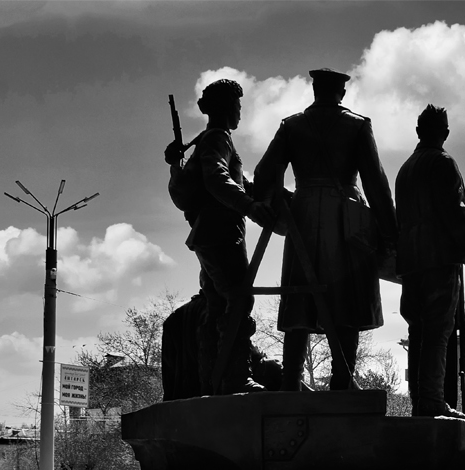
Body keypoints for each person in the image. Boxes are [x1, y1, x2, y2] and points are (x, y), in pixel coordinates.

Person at [254, 68, 397, 391]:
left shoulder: (291, 126)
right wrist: (389, 234)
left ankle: (290, 382)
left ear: (315, 91)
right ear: (341, 93)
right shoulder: (358, 126)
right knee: (347, 299)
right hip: (345, 220)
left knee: (299, 298)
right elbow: (376, 185)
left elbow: (264, 176)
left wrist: (283, 207)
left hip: (302, 217)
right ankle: (342, 381)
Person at [166, 78, 278, 395]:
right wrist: (250, 207)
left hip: (211, 234)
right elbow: (217, 179)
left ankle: (211, 380)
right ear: (227, 107)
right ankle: (235, 378)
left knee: (216, 306)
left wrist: (268, 198)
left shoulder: (210, 139)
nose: (240, 111)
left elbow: (237, 183)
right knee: (239, 298)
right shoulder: (217, 139)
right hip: (221, 233)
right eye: (238, 105)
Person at [394, 104, 465, 417]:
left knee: (417, 332)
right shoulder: (442, 163)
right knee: (438, 331)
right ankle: (432, 400)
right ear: (445, 133)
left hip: (410, 265)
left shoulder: (405, 169)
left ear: (417, 132)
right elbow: (457, 211)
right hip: (438, 261)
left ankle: (419, 402)